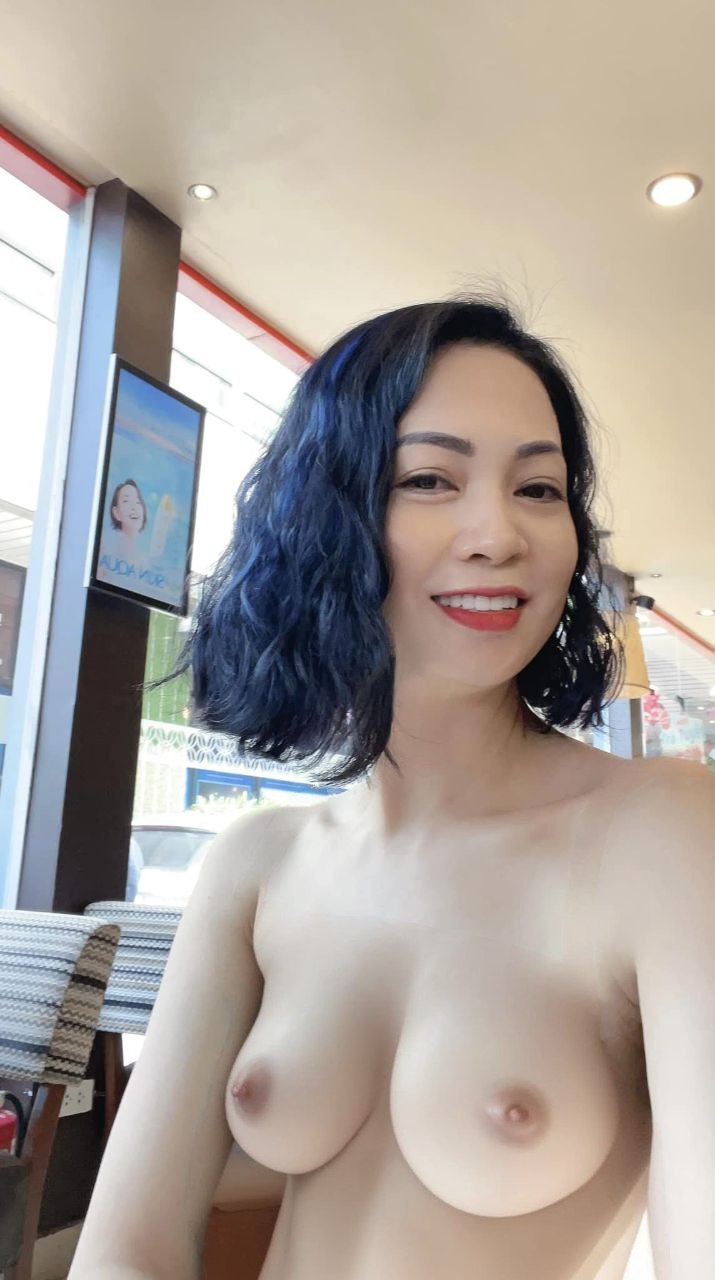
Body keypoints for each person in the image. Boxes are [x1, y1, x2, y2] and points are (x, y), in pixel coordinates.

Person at [69, 293, 714, 1280]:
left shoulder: (663, 832)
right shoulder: (258, 865)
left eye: (538, 488)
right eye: (428, 478)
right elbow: (128, 1246)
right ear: (328, 517)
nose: (497, 532)